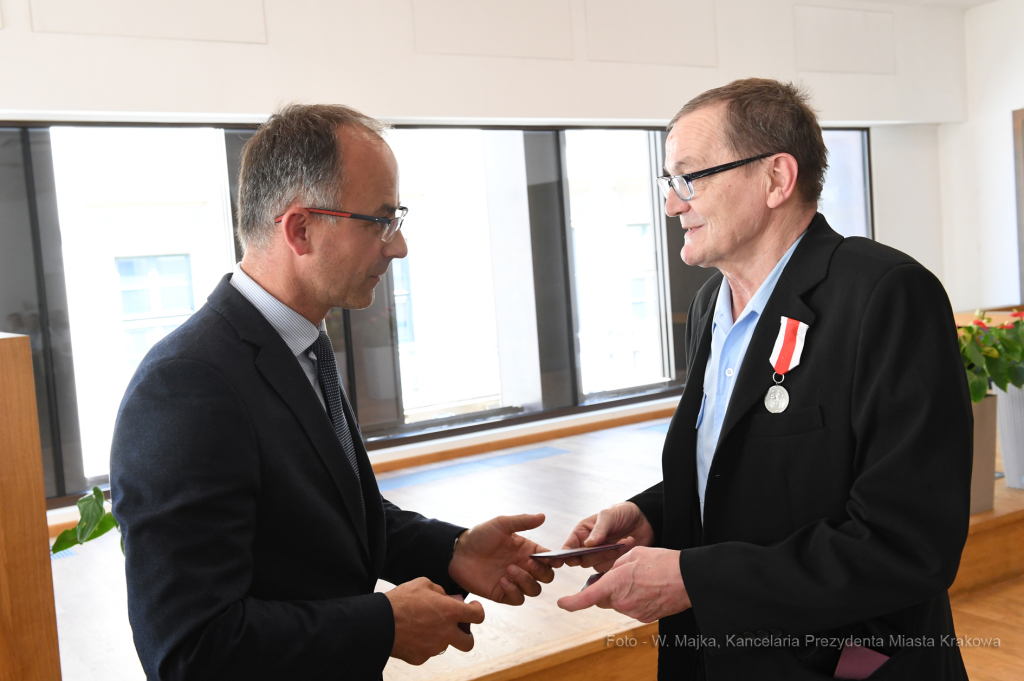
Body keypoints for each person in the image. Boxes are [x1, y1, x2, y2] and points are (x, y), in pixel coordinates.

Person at [110, 104, 555, 681]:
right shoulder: (185, 386)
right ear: (300, 229)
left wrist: (452, 552)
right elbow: (191, 650)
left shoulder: (302, 345)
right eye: (379, 221)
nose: (398, 246)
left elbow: (331, 515)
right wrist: (382, 624)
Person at [555, 79, 972, 680]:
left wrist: (693, 579)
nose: (672, 204)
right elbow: (753, 468)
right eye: (669, 181)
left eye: (689, 178)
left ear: (776, 178)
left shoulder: (885, 296)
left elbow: (907, 544)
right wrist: (653, 515)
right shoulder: (710, 303)